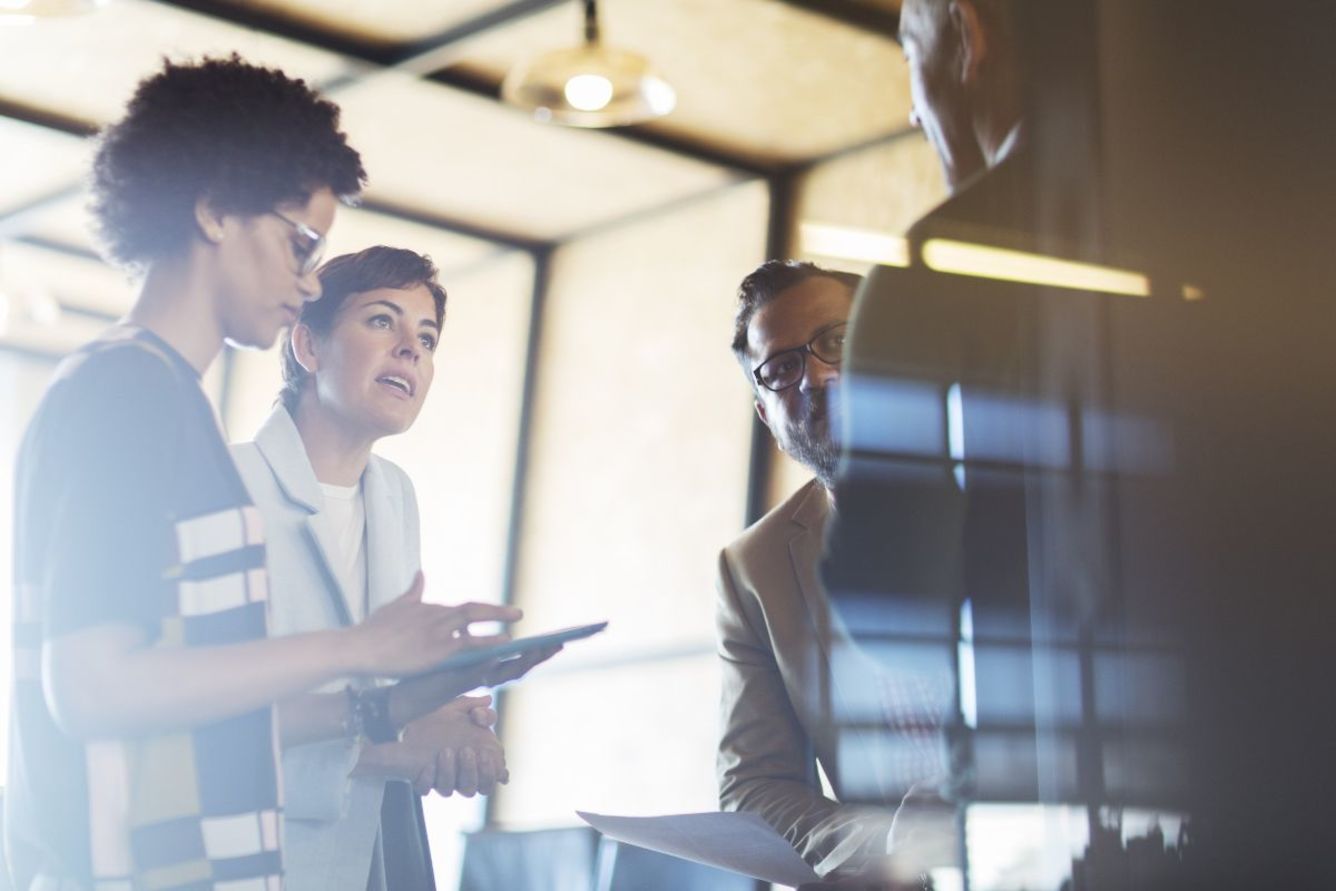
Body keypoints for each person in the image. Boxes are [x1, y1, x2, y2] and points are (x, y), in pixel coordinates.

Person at [5, 57, 518, 891]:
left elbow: (195, 706)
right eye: (298, 242)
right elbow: (93, 688)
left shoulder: (167, 403)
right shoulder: (124, 390)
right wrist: (359, 648)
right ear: (213, 210)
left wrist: (384, 706)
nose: (307, 278)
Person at [233, 246, 556, 891]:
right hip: (241, 858)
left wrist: (433, 717)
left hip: (353, 855)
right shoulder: (225, 486)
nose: (412, 349)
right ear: (308, 345)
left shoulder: (394, 496)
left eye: (427, 337)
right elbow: (211, 714)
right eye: (383, 321)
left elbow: (365, 691)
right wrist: (402, 746)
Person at [715, 259, 908, 880]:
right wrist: (871, 840)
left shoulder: (1024, 493)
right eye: (782, 369)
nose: (819, 377)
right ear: (767, 418)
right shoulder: (752, 569)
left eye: (838, 342)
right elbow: (755, 785)